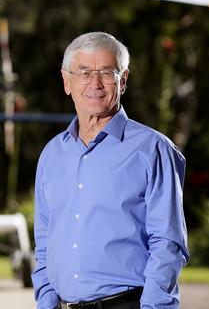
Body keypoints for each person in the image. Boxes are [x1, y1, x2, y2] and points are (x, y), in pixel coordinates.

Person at [32, 32, 188, 309]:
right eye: (83, 72)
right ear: (67, 81)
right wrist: (46, 302)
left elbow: (168, 244)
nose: (95, 83)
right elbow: (44, 243)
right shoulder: (52, 154)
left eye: (106, 72)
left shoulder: (153, 150)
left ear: (123, 80)